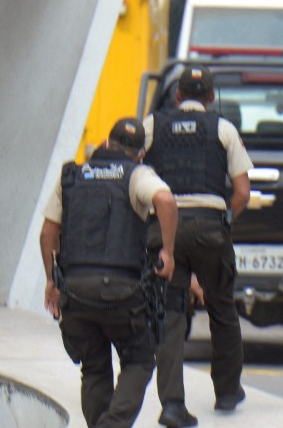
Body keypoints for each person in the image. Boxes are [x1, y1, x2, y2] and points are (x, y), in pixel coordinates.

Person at [40, 118, 178, 428]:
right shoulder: (137, 174)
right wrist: (168, 253)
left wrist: (52, 280)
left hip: (74, 289)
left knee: (93, 367)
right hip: (120, 290)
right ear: (139, 154)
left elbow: (49, 232)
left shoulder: (72, 175)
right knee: (140, 360)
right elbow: (165, 199)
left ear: (105, 142)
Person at [143, 63, 253, 426]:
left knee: (170, 314)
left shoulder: (152, 126)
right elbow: (241, 192)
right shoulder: (223, 128)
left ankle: (172, 404)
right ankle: (227, 392)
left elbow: (133, 172)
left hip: (164, 228)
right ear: (210, 97)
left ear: (177, 97)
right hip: (209, 227)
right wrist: (223, 220)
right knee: (222, 308)